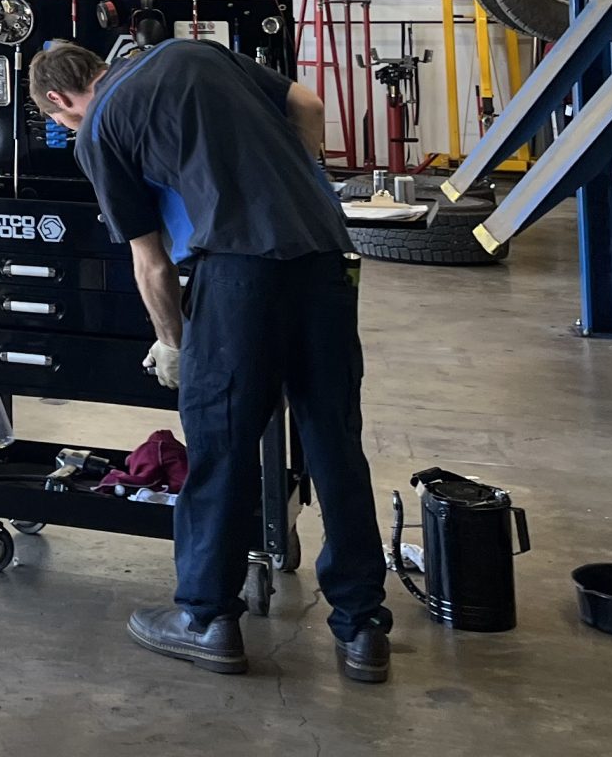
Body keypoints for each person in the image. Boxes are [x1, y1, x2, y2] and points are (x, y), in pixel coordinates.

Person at [28, 37, 392, 685]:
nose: (64, 128)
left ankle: (206, 619)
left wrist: (172, 343)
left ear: (61, 99)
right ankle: (362, 628)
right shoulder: (197, 51)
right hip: (325, 255)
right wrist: (293, 185)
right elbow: (306, 102)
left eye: (59, 121)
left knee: (221, 446)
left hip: (236, 272)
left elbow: (151, 262)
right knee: (333, 440)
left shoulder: (100, 129)